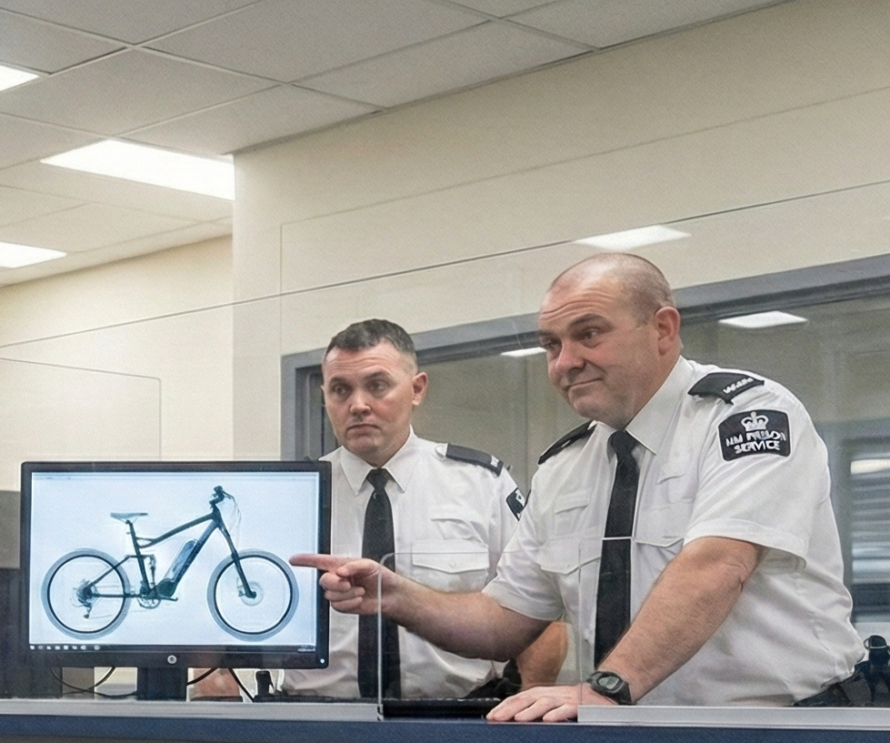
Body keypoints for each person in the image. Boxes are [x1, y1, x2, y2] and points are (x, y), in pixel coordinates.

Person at [297, 254, 870, 717]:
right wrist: (395, 596)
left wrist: (606, 690)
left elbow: (717, 565)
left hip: (787, 735)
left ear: (663, 329)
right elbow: (502, 621)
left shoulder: (747, 417)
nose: (565, 361)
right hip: (632, 740)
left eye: (588, 334)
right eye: (551, 345)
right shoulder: (565, 468)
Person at [261, 318, 562, 700]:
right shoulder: (289, 497)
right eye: (340, 390)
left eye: (377, 386)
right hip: (314, 717)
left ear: (417, 389)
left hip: (454, 716)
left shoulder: (481, 484)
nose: (358, 405)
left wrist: (530, 705)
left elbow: (540, 611)